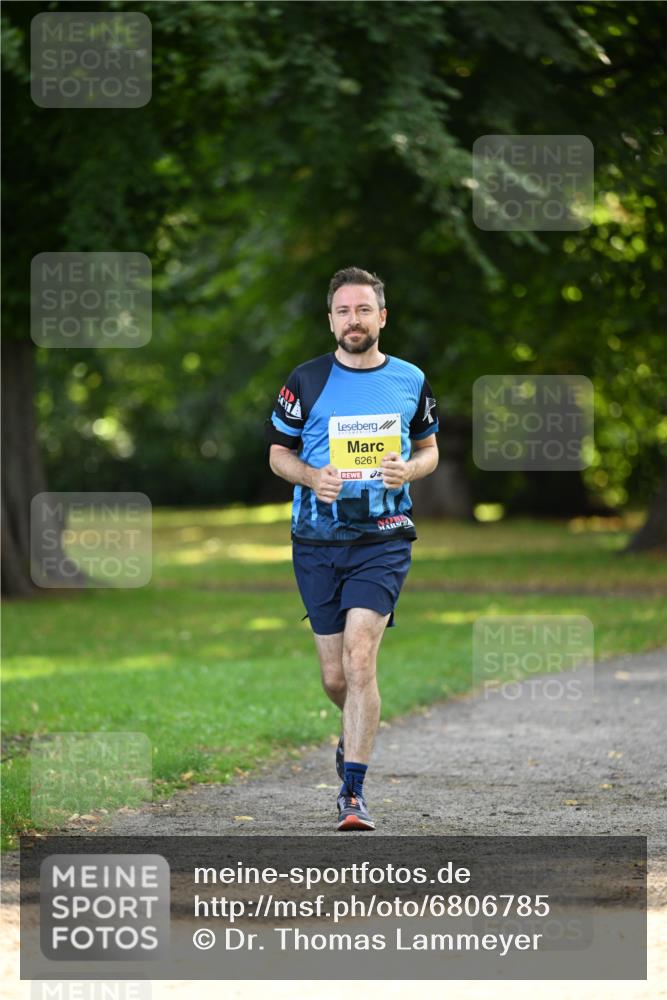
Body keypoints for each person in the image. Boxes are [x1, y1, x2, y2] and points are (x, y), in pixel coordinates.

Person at [266, 266, 439, 831]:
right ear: (331, 320)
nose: (354, 320)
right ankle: (353, 733)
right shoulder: (306, 380)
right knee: (336, 678)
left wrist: (408, 469)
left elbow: (429, 449)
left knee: (360, 658)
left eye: (364, 310)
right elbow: (278, 454)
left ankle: (353, 792)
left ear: (382, 317)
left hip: (383, 538)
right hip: (316, 541)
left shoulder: (410, 379)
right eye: (344, 311)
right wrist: (311, 476)